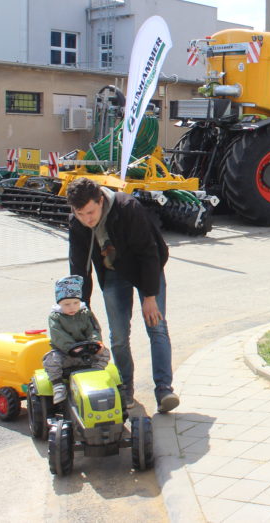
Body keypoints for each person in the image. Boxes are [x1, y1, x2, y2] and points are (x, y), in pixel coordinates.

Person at [66, 177, 180, 414]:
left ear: (100, 200)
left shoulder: (127, 207)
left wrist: (150, 296)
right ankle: (125, 387)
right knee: (118, 335)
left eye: (91, 212)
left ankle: (164, 390)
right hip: (114, 273)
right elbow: (79, 268)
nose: (87, 219)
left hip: (146, 267)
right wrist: (80, 306)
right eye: (80, 214)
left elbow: (149, 252)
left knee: (156, 326)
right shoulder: (77, 224)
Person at [43, 275, 111, 404]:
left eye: (76, 303)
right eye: (66, 304)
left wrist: (96, 342)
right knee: (50, 360)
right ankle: (58, 385)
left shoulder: (85, 313)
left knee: (105, 352)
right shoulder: (55, 317)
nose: (72, 307)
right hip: (65, 353)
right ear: (59, 303)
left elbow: (93, 330)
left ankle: (96, 372)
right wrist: (71, 347)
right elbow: (59, 336)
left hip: (86, 351)